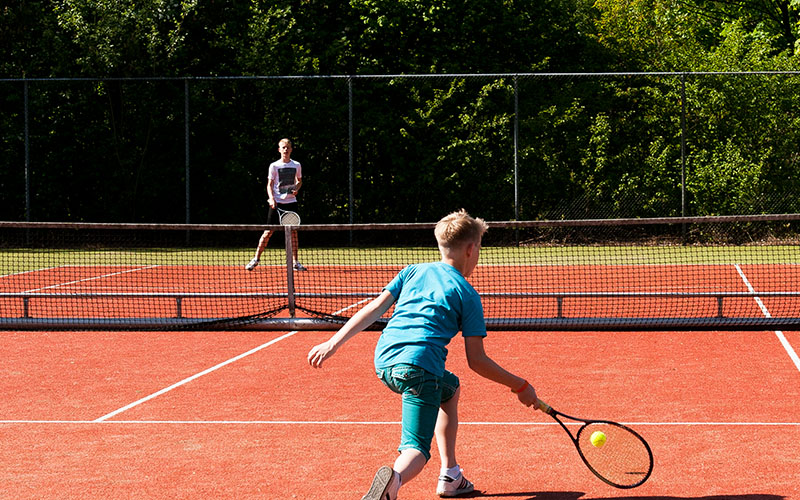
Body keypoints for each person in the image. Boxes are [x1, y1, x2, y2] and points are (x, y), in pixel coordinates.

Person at [307, 209, 538, 500]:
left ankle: (451, 475)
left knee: (450, 388)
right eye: (479, 248)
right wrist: (520, 385)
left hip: (385, 362)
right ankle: (393, 482)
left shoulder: (412, 271)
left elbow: (375, 308)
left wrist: (333, 343)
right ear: (470, 249)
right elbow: (477, 361)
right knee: (416, 448)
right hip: (420, 370)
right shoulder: (467, 294)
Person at [246, 138, 306, 271]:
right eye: (283, 147)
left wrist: (297, 188)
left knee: (294, 233)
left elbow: (299, 181)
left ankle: (295, 262)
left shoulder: (297, 165)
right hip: (277, 203)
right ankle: (256, 259)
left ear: (291, 149)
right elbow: (269, 184)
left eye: (288, 147)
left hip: (291, 203)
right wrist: (271, 198)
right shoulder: (274, 166)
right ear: (279, 150)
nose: (286, 149)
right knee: (268, 232)